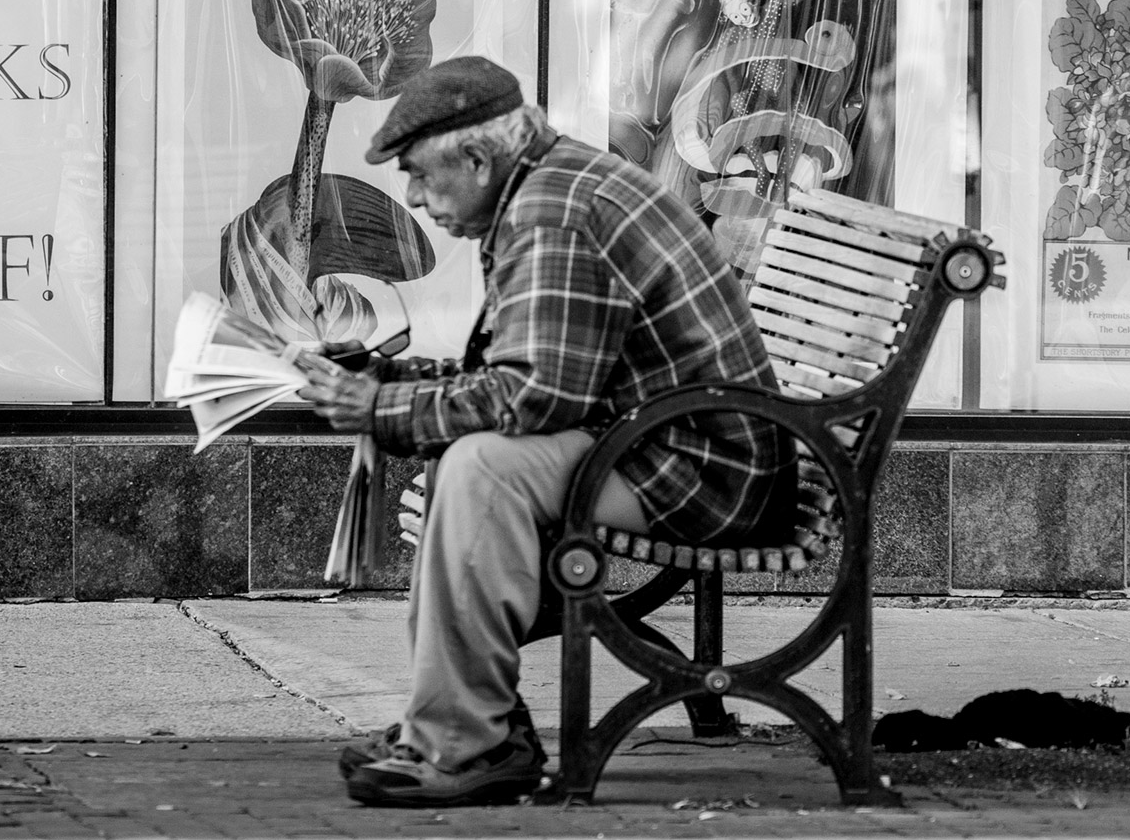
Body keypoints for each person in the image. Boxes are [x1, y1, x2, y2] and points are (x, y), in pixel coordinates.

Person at [294, 54, 787, 808]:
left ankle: (467, 742)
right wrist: (388, 382)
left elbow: (533, 398)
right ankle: (457, 725)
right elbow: (535, 375)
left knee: (483, 468)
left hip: (701, 471)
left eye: (423, 175)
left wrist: (376, 411)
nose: (415, 197)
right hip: (664, 442)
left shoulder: (552, 208)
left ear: (478, 156)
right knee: (477, 460)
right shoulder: (549, 185)